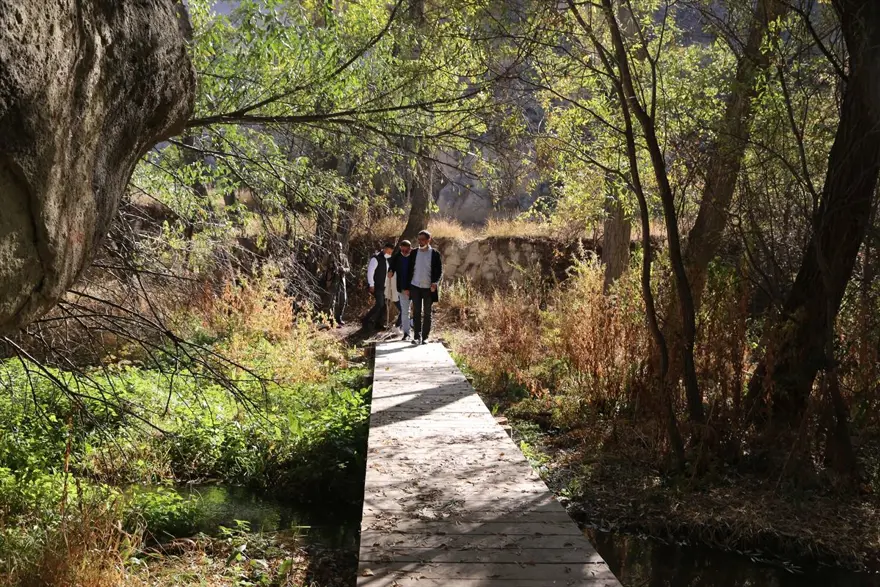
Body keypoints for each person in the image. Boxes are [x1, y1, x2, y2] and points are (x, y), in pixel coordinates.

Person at [406, 230, 442, 345]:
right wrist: (407, 287)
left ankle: (425, 337)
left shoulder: (435, 254)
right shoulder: (414, 253)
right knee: (416, 312)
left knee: (427, 313)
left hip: (428, 288)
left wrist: (435, 283)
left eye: (422, 239)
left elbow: (439, 271)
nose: (420, 241)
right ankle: (417, 337)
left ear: (428, 239)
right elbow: (409, 270)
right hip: (415, 286)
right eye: (419, 239)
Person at [363, 243, 394, 330]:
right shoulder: (376, 258)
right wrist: (371, 284)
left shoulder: (388, 260)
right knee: (380, 303)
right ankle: (366, 319)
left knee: (384, 305)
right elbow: (370, 272)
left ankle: (379, 323)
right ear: (384, 249)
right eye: (388, 251)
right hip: (377, 286)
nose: (389, 254)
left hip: (385, 286)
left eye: (391, 252)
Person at [388, 240, 414, 341]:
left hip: (415, 288)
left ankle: (419, 333)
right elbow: (392, 267)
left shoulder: (415, 256)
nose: (403, 251)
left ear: (410, 248)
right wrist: (390, 271)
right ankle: (406, 333)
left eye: (406, 250)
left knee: (418, 311)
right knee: (405, 311)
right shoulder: (397, 257)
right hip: (402, 288)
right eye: (402, 249)